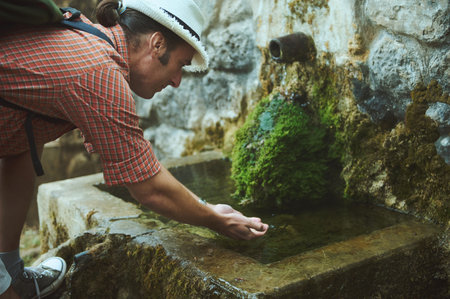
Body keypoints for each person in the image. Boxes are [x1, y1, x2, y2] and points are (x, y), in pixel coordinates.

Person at [0, 0, 269, 297]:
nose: (178, 81)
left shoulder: (86, 38)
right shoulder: (98, 71)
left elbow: (20, 149)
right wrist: (216, 218)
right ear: (156, 44)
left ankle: (11, 270)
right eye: (181, 64)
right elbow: (148, 187)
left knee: (25, 147)